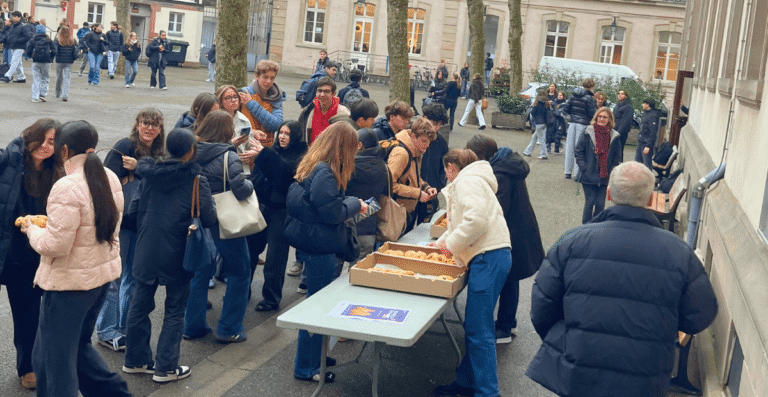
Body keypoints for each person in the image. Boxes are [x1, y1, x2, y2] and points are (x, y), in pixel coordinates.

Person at [526, 161, 718, 397]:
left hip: (581, 368)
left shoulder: (572, 242)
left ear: (608, 194)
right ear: (650, 200)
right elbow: (701, 313)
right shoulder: (679, 252)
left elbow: (542, 305)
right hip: (645, 374)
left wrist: (568, 340)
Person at [22, 120, 132, 397]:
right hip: (99, 278)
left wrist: (31, 229)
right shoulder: (109, 176)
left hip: (68, 285)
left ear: (65, 150)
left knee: (53, 361)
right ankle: (114, 392)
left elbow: (55, 245)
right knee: (77, 347)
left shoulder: (66, 186)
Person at [122, 128, 216, 383]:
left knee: (139, 305)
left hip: (147, 247)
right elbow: (208, 217)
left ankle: (136, 360)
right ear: (190, 150)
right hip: (179, 249)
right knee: (174, 310)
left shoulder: (148, 175)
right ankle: (165, 367)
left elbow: (132, 211)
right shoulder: (196, 179)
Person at [284, 122, 366, 383]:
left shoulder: (315, 164)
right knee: (316, 307)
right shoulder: (326, 173)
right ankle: (307, 366)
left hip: (314, 243)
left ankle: (315, 356)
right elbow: (331, 212)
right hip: (321, 247)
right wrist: (354, 204)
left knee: (316, 303)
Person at [432, 149, 512, 397]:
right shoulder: (474, 179)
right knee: (476, 326)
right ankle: (466, 382)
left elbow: (476, 221)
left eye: (445, 171)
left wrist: (449, 245)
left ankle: (488, 392)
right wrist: (440, 243)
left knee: (479, 329)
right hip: (492, 256)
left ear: (450, 168)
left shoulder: (466, 182)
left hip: (488, 257)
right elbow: (462, 221)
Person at [0, 119, 63, 391]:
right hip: (15, 255)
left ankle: (42, 362)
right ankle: (28, 368)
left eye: (53, 143)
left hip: (45, 252)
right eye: (44, 139)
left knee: (45, 314)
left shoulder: (56, 170)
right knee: (26, 314)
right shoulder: (9, 160)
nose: (46, 147)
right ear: (31, 136)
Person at [96, 108, 166, 353]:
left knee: (133, 280)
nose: (149, 128)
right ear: (137, 125)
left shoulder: (160, 153)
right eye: (145, 123)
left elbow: (164, 183)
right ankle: (106, 331)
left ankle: (125, 328)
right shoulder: (125, 145)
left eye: (154, 125)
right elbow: (105, 181)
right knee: (114, 278)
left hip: (145, 225)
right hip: (122, 224)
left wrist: (137, 170)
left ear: (160, 129)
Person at [465, 134, 543, 344]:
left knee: (508, 280)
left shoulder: (499, 174)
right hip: (520, 230)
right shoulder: (507, 164)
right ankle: (509, 322)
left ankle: (505, 328)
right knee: (512, 279)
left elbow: (498, 209)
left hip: (512, 234)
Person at [185, 110, 254, 343]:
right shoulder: (229, 155)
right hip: (225, 219)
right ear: (227, 131)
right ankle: (229, 328)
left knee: (200, 271)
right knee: (240, 271)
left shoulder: (191, 151)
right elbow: (240, 188)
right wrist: (252, 185)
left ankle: (192, 326)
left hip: (196, 218)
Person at [246, 120, 308, 311]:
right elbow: (256, 176)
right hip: (262, 208)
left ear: (295, 136)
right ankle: (242, 290)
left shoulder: (301, 156)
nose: (282, 136)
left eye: (287, 134)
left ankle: (271, 299)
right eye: (280, 132)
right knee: (249, 253)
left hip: (281, 212)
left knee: (275, 259)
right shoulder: (272, 151)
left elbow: (285, 174)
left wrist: (264, 156)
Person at [345, 128, 388, 263]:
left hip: (347, 223)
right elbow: (383, 194)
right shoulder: (382, 166)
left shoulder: (349, 166)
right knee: (358, 272)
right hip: (369, 227)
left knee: (335, 274)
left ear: (359, 145)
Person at [388, 117, 437, 233]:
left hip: (406, 210)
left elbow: (411, 176)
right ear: (413, 136)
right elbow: (389, 183)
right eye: (424, 140)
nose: (427, 145)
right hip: (396, 212)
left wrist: (425, 187)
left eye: (429, 141)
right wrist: (417, 193)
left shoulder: (415, 150)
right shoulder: (402, 153)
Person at [575, 107, 623, 224]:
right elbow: (578, 151)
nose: (601, 119)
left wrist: (612, 171)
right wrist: (584, 167)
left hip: (605, 176)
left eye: (604, 117)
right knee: (590, 202)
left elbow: (617, 157)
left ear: (609, 120)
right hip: (588, 174)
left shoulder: (614, 136)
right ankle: (585, 226)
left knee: (600, 204)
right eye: (599, 117)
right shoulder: (588, 132)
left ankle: (596, 227)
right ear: (596, 118)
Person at [239, 59, 285, 147]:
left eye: (272, 78)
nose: (269, 81)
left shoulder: (276, 97)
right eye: (265, 77)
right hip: (243, 146)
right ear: (257, 76)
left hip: (265, 148)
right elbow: (234, 124)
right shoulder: (243, 93)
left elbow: (276, 125)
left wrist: (250, 103)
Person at [418, 103, 449, 223]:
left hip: (431, 192)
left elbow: (444, 167)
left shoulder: (441, 142)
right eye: (435, 123)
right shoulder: (412, 136)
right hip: (412, 191)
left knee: (425, 227)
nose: (437, 127)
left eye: (440, 124)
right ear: (425, 118)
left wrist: (438, 185)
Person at [297, 76, 351, 144]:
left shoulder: (343, 114)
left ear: (334, 93)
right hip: (312, 153)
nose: (322, 94)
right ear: (316, 92)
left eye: (326, 91)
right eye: (319, 91)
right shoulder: (308, 112)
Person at [561, 78, 597, 179]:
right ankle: (577, 173)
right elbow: (591, 113)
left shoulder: (573, 95)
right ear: (591, 86)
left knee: (569, 147)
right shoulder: (589, 98)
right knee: (580, 149)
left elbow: (566, 109)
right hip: (583, 124)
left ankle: (567, 171)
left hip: (572, 123)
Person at [26, 24, 55, 103]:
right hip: (46, 61)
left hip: (36, 61)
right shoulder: (49, 40)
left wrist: (31, 57)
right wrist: (51, 59)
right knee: (45, 78)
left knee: (36, 79)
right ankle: (43, 94)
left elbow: (28, 50)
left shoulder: (33, 39)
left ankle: (35, 97)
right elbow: (54, 50)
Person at [1, 11, 32, 84]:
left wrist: (17, 40)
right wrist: (4, 40)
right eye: (13, 16)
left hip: (19, 47)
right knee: (18, 63)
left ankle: (8, 76)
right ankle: (21, 77)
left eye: (15, 17)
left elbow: (28, 37)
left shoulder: (23, 27)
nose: (14, 18)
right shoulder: (12, 26)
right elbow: (9, 36)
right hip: (13, 46)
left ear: (19, 17)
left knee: (14, 62)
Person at [523, 89, 549, 160]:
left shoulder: (537, 104)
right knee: (534, 137)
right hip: (545, 123)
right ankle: (528, 151)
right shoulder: (546, 104)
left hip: (539, 123)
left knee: (541, 139)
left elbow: (533, 113)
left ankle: (544, 154)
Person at [53, 25, 77, 102]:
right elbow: (74, 51)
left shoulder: (58, 40)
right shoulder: (72, 40)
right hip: (69, 61)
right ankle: (65, 94)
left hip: (59, 61)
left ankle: (57, 92)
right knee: (67, 78)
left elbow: (55, 50)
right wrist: (73, 58)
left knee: (59, 77)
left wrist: (54, 57)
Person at [636, 99, 660, 169]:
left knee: (646, 163)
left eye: (644, 103)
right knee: (637, 162)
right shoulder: (645, 113)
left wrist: (648, 145)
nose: (642, 105)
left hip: (646, 143)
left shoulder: (652, 116)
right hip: (641, 141)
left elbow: (653, 132)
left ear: (647, 105)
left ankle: (649, 179)